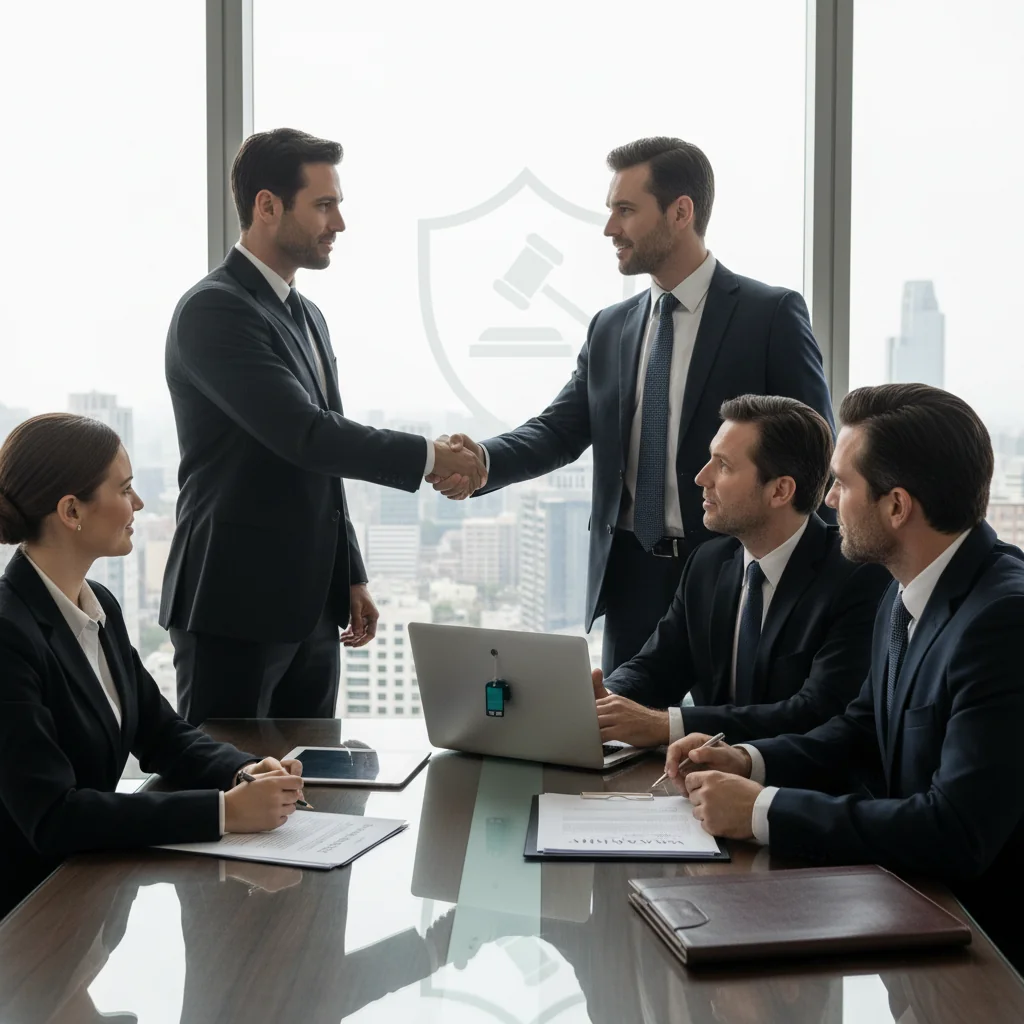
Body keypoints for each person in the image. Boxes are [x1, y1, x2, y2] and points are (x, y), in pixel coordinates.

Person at [429, 137, 834, 674]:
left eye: (625, 210)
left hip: (737, 569)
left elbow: (815, 448)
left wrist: (817, 573)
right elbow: (560, 429)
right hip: (630, 576)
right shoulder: (611, 327)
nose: (609, 229)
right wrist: (483, 460)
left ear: (680, 212)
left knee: (733, 720)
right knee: (621, 720)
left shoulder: (770, 314)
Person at [666, 384, 1024, 971]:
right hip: (910, 912)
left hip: (985, 955)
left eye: (841, 484)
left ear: (897, 506)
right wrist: (748, 759)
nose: (828, 500)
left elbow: (956, 829)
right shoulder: (903, 590)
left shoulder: (1003, 620)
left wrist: (762, 811)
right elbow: (859, 729)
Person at [160, 128, 485, 725]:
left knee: (314, 773)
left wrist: (350, 574)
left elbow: (323, 460)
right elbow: (305, 434)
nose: (339, 223)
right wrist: (432, 456)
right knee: (228, 774)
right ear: (267, 206)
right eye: (324, 205)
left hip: (312, 608)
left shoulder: (307, 314)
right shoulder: (214, 309)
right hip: (233, 604)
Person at [0, 414, 306, 919]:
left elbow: (162, 733)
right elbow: (52, 816)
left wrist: (241, 771)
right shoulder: (8, 633)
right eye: (124, 489)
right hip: (30, 917)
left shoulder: (98, 604)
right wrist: (223, 812)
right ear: (71, 510)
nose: (138, 503)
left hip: (91, 893)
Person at [593, 395, 890, 748]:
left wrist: (668, 726)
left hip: (793, 778)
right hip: (699, 773)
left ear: (780, 490)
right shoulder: (707, 563)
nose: (701, 477)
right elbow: (656, 668)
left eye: (723, 466)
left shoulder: (858, 576)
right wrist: (604, 699)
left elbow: (816, 711)